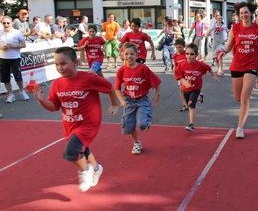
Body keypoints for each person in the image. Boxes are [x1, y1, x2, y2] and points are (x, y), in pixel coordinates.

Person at [32, 46, 119, 192]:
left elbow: (109, 87)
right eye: (57, 64)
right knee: (83, 151)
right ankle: (96, 168)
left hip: (88, 124)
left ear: (75, 62)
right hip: (70, 124)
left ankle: (86, 171)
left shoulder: (88, 78)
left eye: (63, 63)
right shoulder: (57, 84)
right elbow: (54, 106)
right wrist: (42, 101)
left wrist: (114, 104)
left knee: (72, 152)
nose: (60, 67)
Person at [218, 1, 258, 139]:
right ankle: (243, 111)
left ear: (250, 13)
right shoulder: (235, 28)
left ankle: (240, 128)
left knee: (245, 96)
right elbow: (229, 44)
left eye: (246, 12)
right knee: (238, 97)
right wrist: (224, 52)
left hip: (252, 64)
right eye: (241, 13)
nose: (244, 15)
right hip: (237, 64)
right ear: (238, 15)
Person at [114, 42, 161, 155]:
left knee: (142, 125)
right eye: (126, 54)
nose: (129, 56)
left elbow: (157, 81)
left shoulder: (143, 69)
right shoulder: (121, 70)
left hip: (141, 100)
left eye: (132, 54)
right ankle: (136, 143)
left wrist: (157, 94)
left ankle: (146, 120)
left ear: (136, 55)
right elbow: (116, 88)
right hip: (129, 100)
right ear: (123, 55)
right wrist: (121, 101)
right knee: (127, 127)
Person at [174, 43, 219, 132]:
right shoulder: (182, 65)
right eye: (187, 54)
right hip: (186, 89)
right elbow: (178, 75)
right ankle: (200, 96)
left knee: (191, 106)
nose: (189, 56)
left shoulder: (200, 65)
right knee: (188, 102)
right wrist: (185, 82)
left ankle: (191, 125)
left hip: (196, 88)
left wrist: (213, 76)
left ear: (196, 55)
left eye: (191, 54)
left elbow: (208, 68)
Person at [0, 16, 29, 103]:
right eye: (4, 23)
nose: (6, 25)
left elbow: (23, 44)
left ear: (12, 23)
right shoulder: (0, 32)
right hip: (3, 58)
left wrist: (13, 46)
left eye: (8, 23)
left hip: (15, 58)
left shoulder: (17, 33)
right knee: (5, 78)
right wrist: (1, 47)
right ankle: (10, 94)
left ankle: (22, 91)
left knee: (18, 77)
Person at [173, 38, 188, 112]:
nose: (178, 49)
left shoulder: (187, 54)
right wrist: (174, 72)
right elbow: (175, 65)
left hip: (188, 74)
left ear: (184, 46)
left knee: (189, 89)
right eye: (177, 47)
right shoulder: (175, 56)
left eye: (180, 47)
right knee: (180, 89)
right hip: (180, 74)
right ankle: (184, 104)